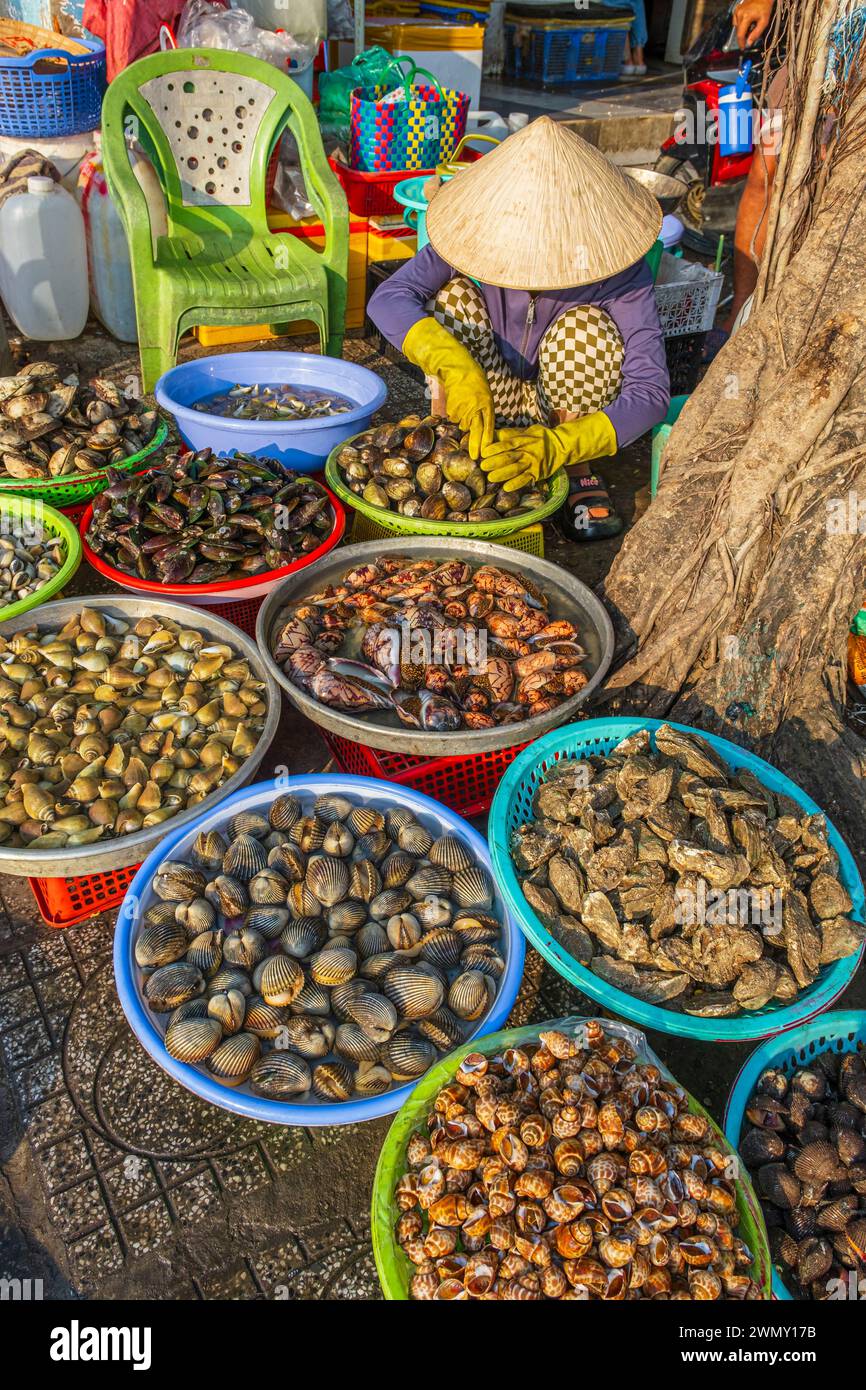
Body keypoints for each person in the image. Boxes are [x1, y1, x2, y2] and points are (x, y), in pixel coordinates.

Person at [367, 117, 670, 542]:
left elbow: (650, 393)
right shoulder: (470, 234)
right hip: (488, 394)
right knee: (452, 300)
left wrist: (563, 445)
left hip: (561, 410)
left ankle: (574, 471)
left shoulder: (621, 271)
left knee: (589, 331)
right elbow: (389, 299)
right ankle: (456, 447)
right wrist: (455, 367)